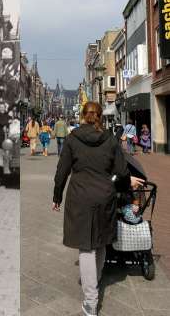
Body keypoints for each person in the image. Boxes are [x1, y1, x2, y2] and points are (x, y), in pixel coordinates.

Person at [52, 102, 144, 316]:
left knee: (86, 246)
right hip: (105, 196)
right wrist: (123, 185)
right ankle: (97, 276)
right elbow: (121, 172)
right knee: (101, 240)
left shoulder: (72, 139)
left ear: (83, 116)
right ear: (100, 116)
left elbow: (62, 170)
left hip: (80, 197)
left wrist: (57, 196)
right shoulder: (110, 140)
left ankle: (91, 302)